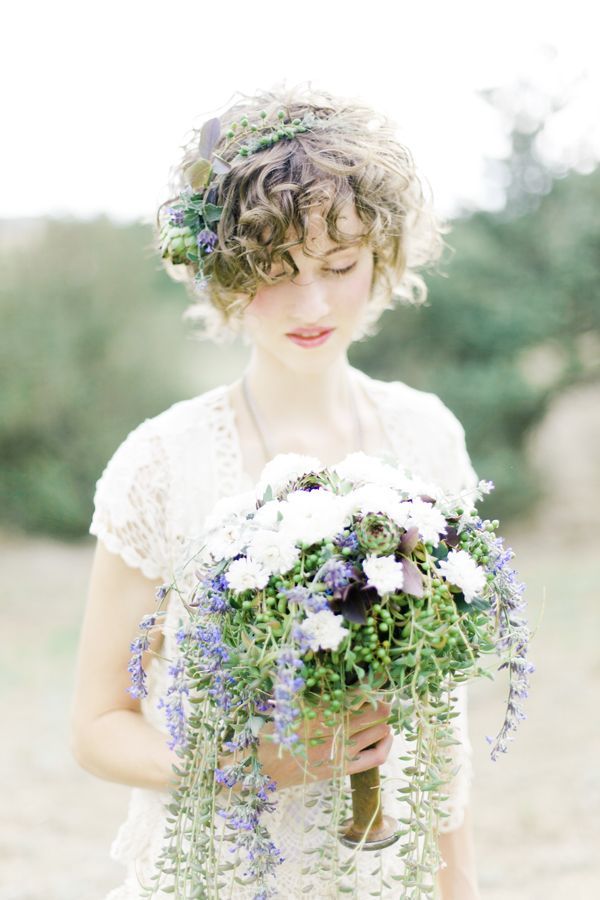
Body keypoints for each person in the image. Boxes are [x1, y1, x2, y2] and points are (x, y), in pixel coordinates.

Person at [70, 83, 481, 899]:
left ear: (384, 257)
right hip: (217, 873)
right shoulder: (161, 463)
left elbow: (445, 719)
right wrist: (253, 767)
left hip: (381, 878)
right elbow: (96, 727)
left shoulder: (429, 436)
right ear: (223, 273)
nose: (314, 303)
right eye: (276, 271)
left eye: (339, 265)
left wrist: (460, 887)